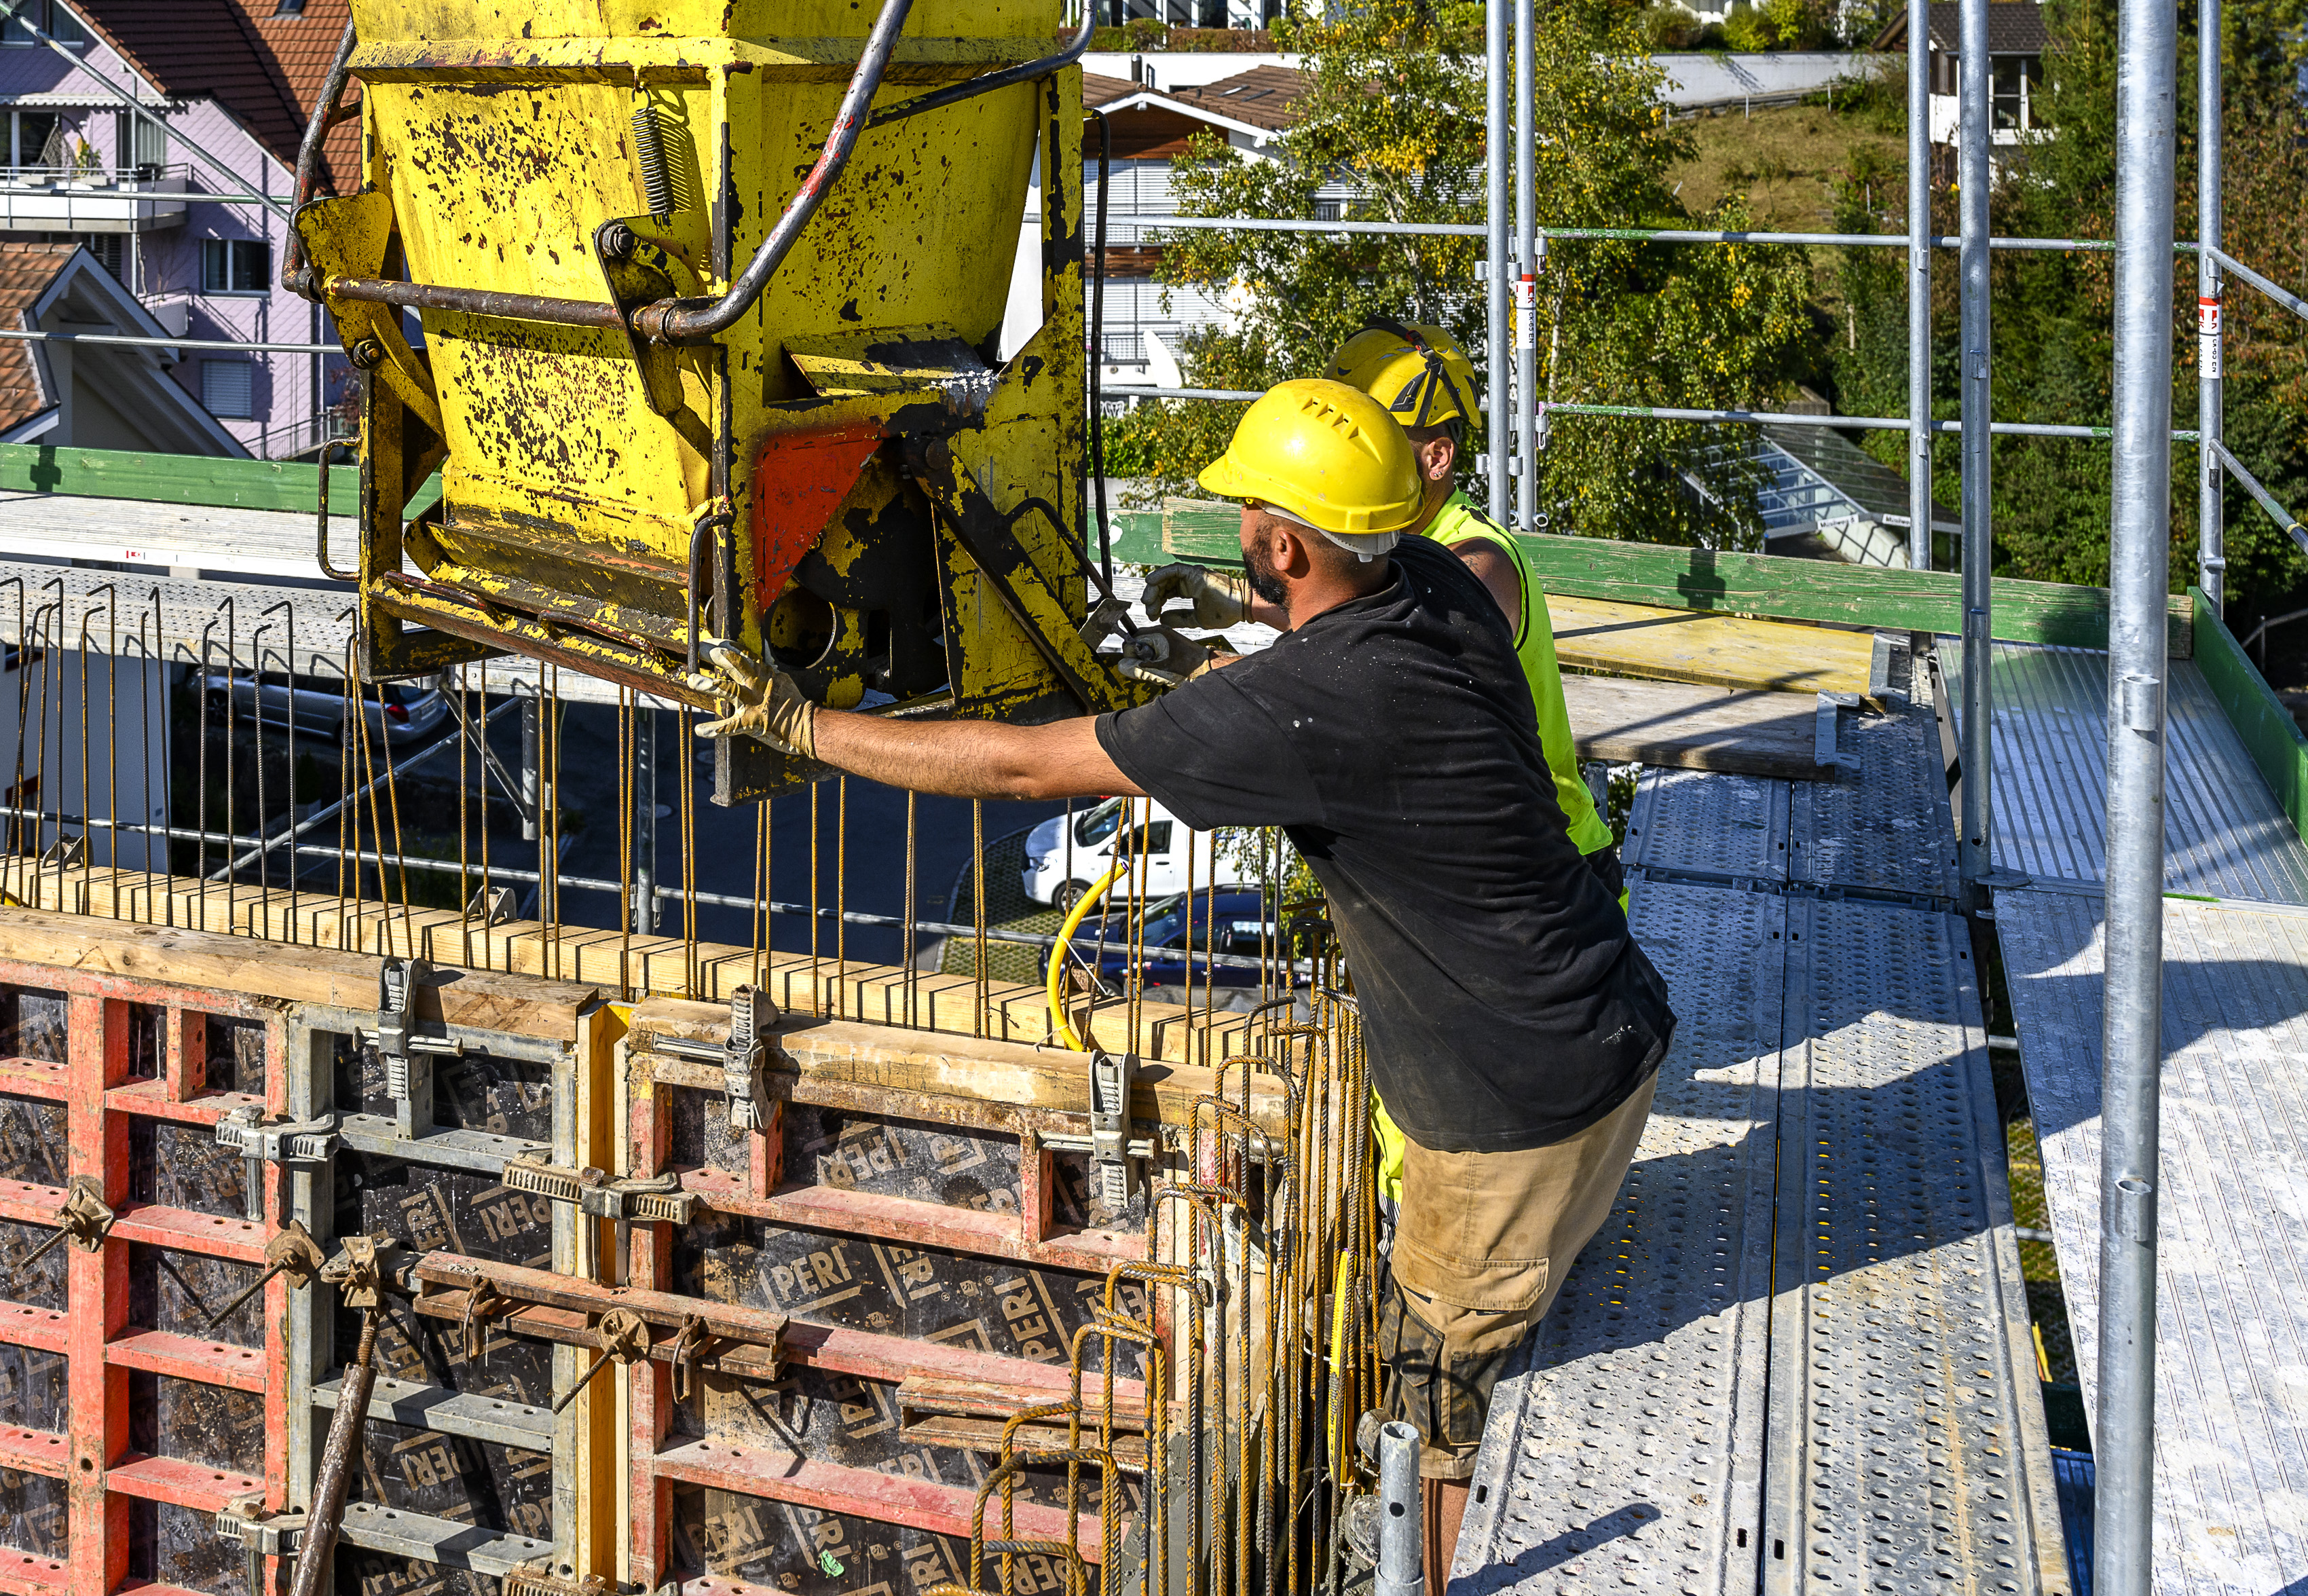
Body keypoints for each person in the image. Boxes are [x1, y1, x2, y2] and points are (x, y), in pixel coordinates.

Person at [699, 378, 1672, 1590]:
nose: (1240, 540)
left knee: (1429, 1380)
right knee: (1457, 1319)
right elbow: (1315, 673)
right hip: (1612, 1019)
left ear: (1287, 543)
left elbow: (1018, 766)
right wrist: (1220, 633)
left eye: (1249, 527)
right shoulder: (1440, 588)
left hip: (1515, 1115)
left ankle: (1431, 1570)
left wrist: (799, 723)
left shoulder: (1312, 704)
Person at [1149, 320, 1614, 893]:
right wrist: (1244, 601)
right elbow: (1363, 617)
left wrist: (1208, 671)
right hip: (1461, 872)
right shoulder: (1387, 547)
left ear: (1436, 457)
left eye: (1378, 440)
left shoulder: (1477, 563)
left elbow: (1372, 682)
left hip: (1549, 873)